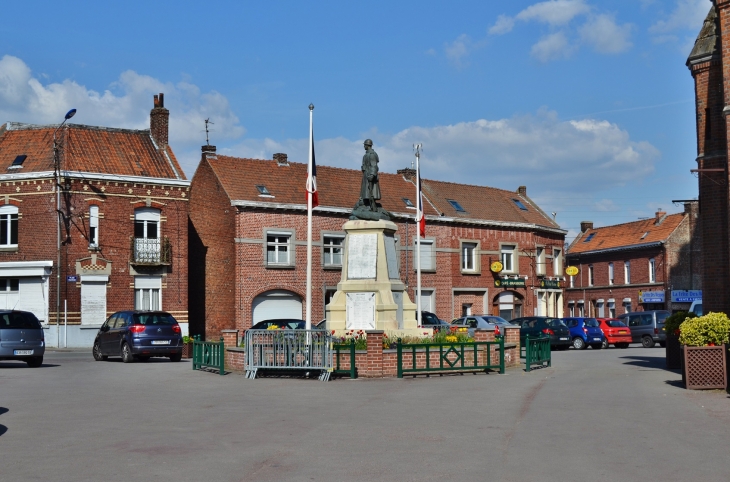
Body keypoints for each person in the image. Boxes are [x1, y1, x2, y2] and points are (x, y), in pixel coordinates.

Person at [360, 139, 381, 211]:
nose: (364, 146)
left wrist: (372, 175)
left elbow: (374, 166)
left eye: (364, 145)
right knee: (366, 192)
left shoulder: (372, 154)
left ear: (367, 145)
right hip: (366, 174)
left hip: (370, 175)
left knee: (370, 192)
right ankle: (366, 202)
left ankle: (372, 205)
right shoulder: (366, 155)